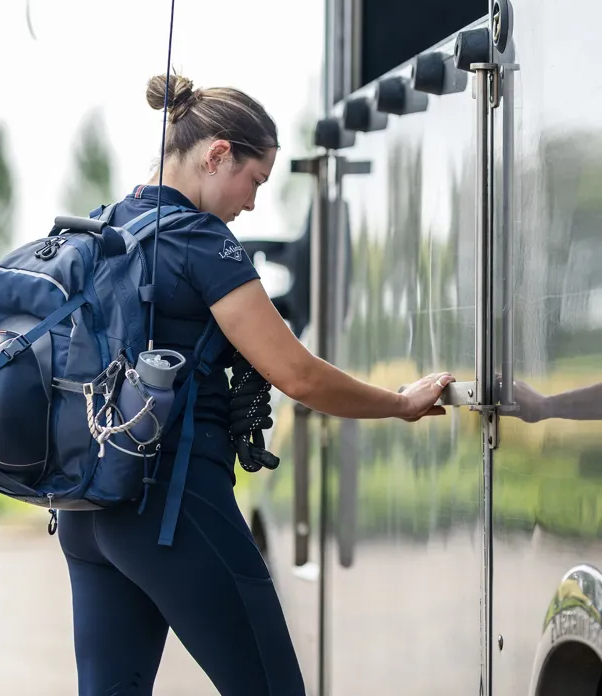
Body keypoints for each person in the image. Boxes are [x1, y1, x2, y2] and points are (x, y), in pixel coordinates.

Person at [57, 73, 454, 695]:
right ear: (218, 154)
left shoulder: (110, 226)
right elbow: (295, 373)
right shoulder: (200, 240)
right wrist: (400, 404)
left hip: (88, 509)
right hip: (173, 508)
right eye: (254, 180)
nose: (251, 203)